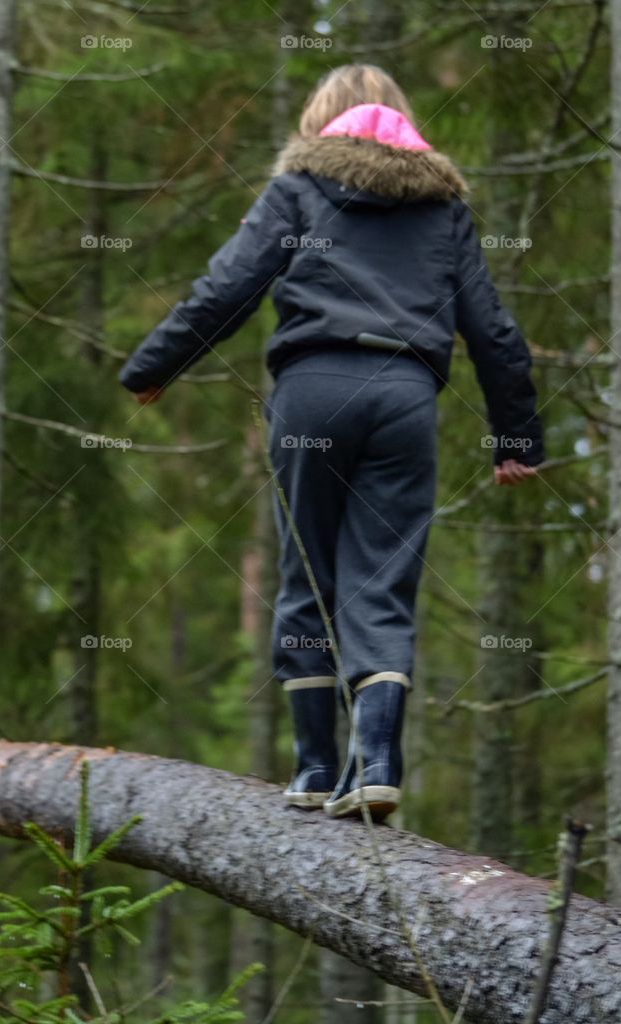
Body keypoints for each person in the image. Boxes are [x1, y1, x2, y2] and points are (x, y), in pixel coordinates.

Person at [118, 63, 544, 821]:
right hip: (404, 400)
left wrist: (155, 366)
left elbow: (227, 287)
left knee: (308, 573)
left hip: (314, 393)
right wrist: (513, 436)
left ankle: (316, 768)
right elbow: (492, 329)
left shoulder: (297, 191)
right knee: (379, 582)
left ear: (319, 123)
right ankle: (375, 763)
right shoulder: (440, 210)